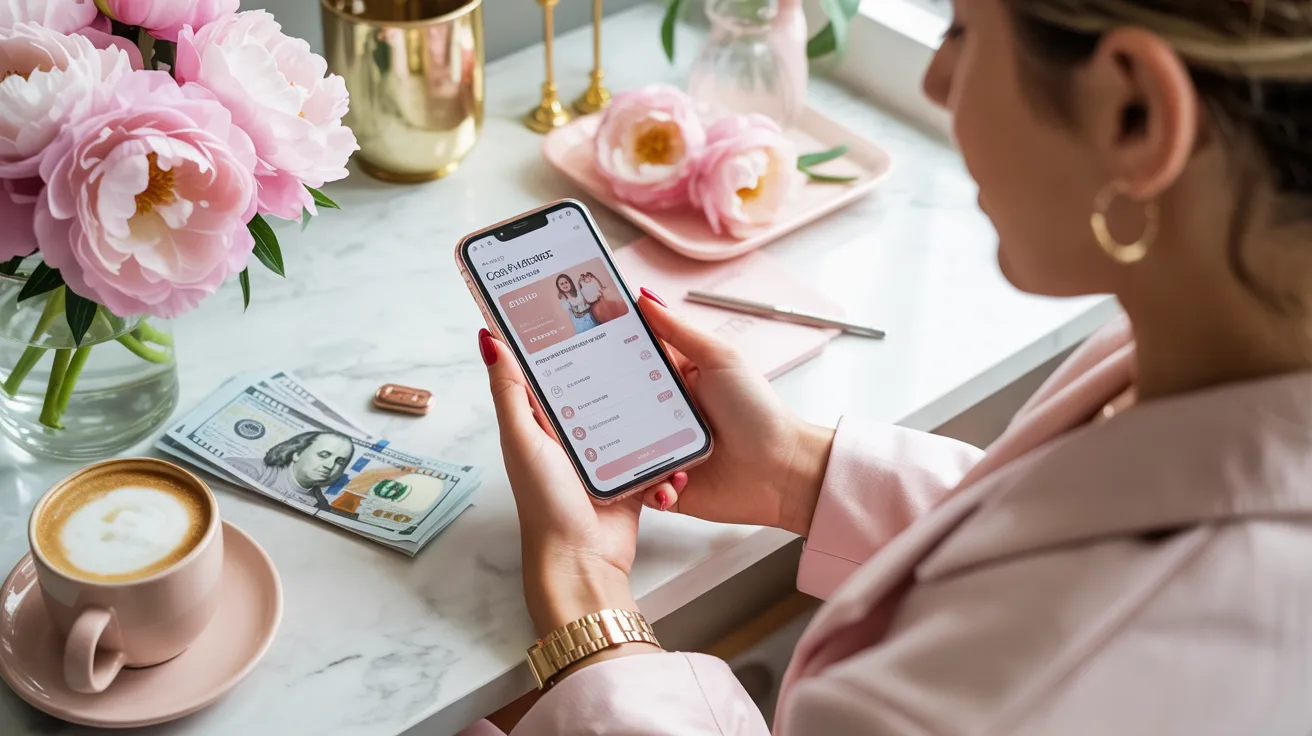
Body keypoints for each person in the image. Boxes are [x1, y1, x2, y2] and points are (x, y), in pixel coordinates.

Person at [467, 0, 1312, 733]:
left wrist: (586, 601)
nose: (937, 81)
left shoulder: (993, 698)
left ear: (1135, 111)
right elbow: (1092, 516)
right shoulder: (1229, 340)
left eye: (963, 31)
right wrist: (797, 470)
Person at [230, 430, 355, 509]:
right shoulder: (250, 470)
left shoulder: (321, 505)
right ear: (297, 453)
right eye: (323, 455)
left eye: (340, 461)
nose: (329, 465)